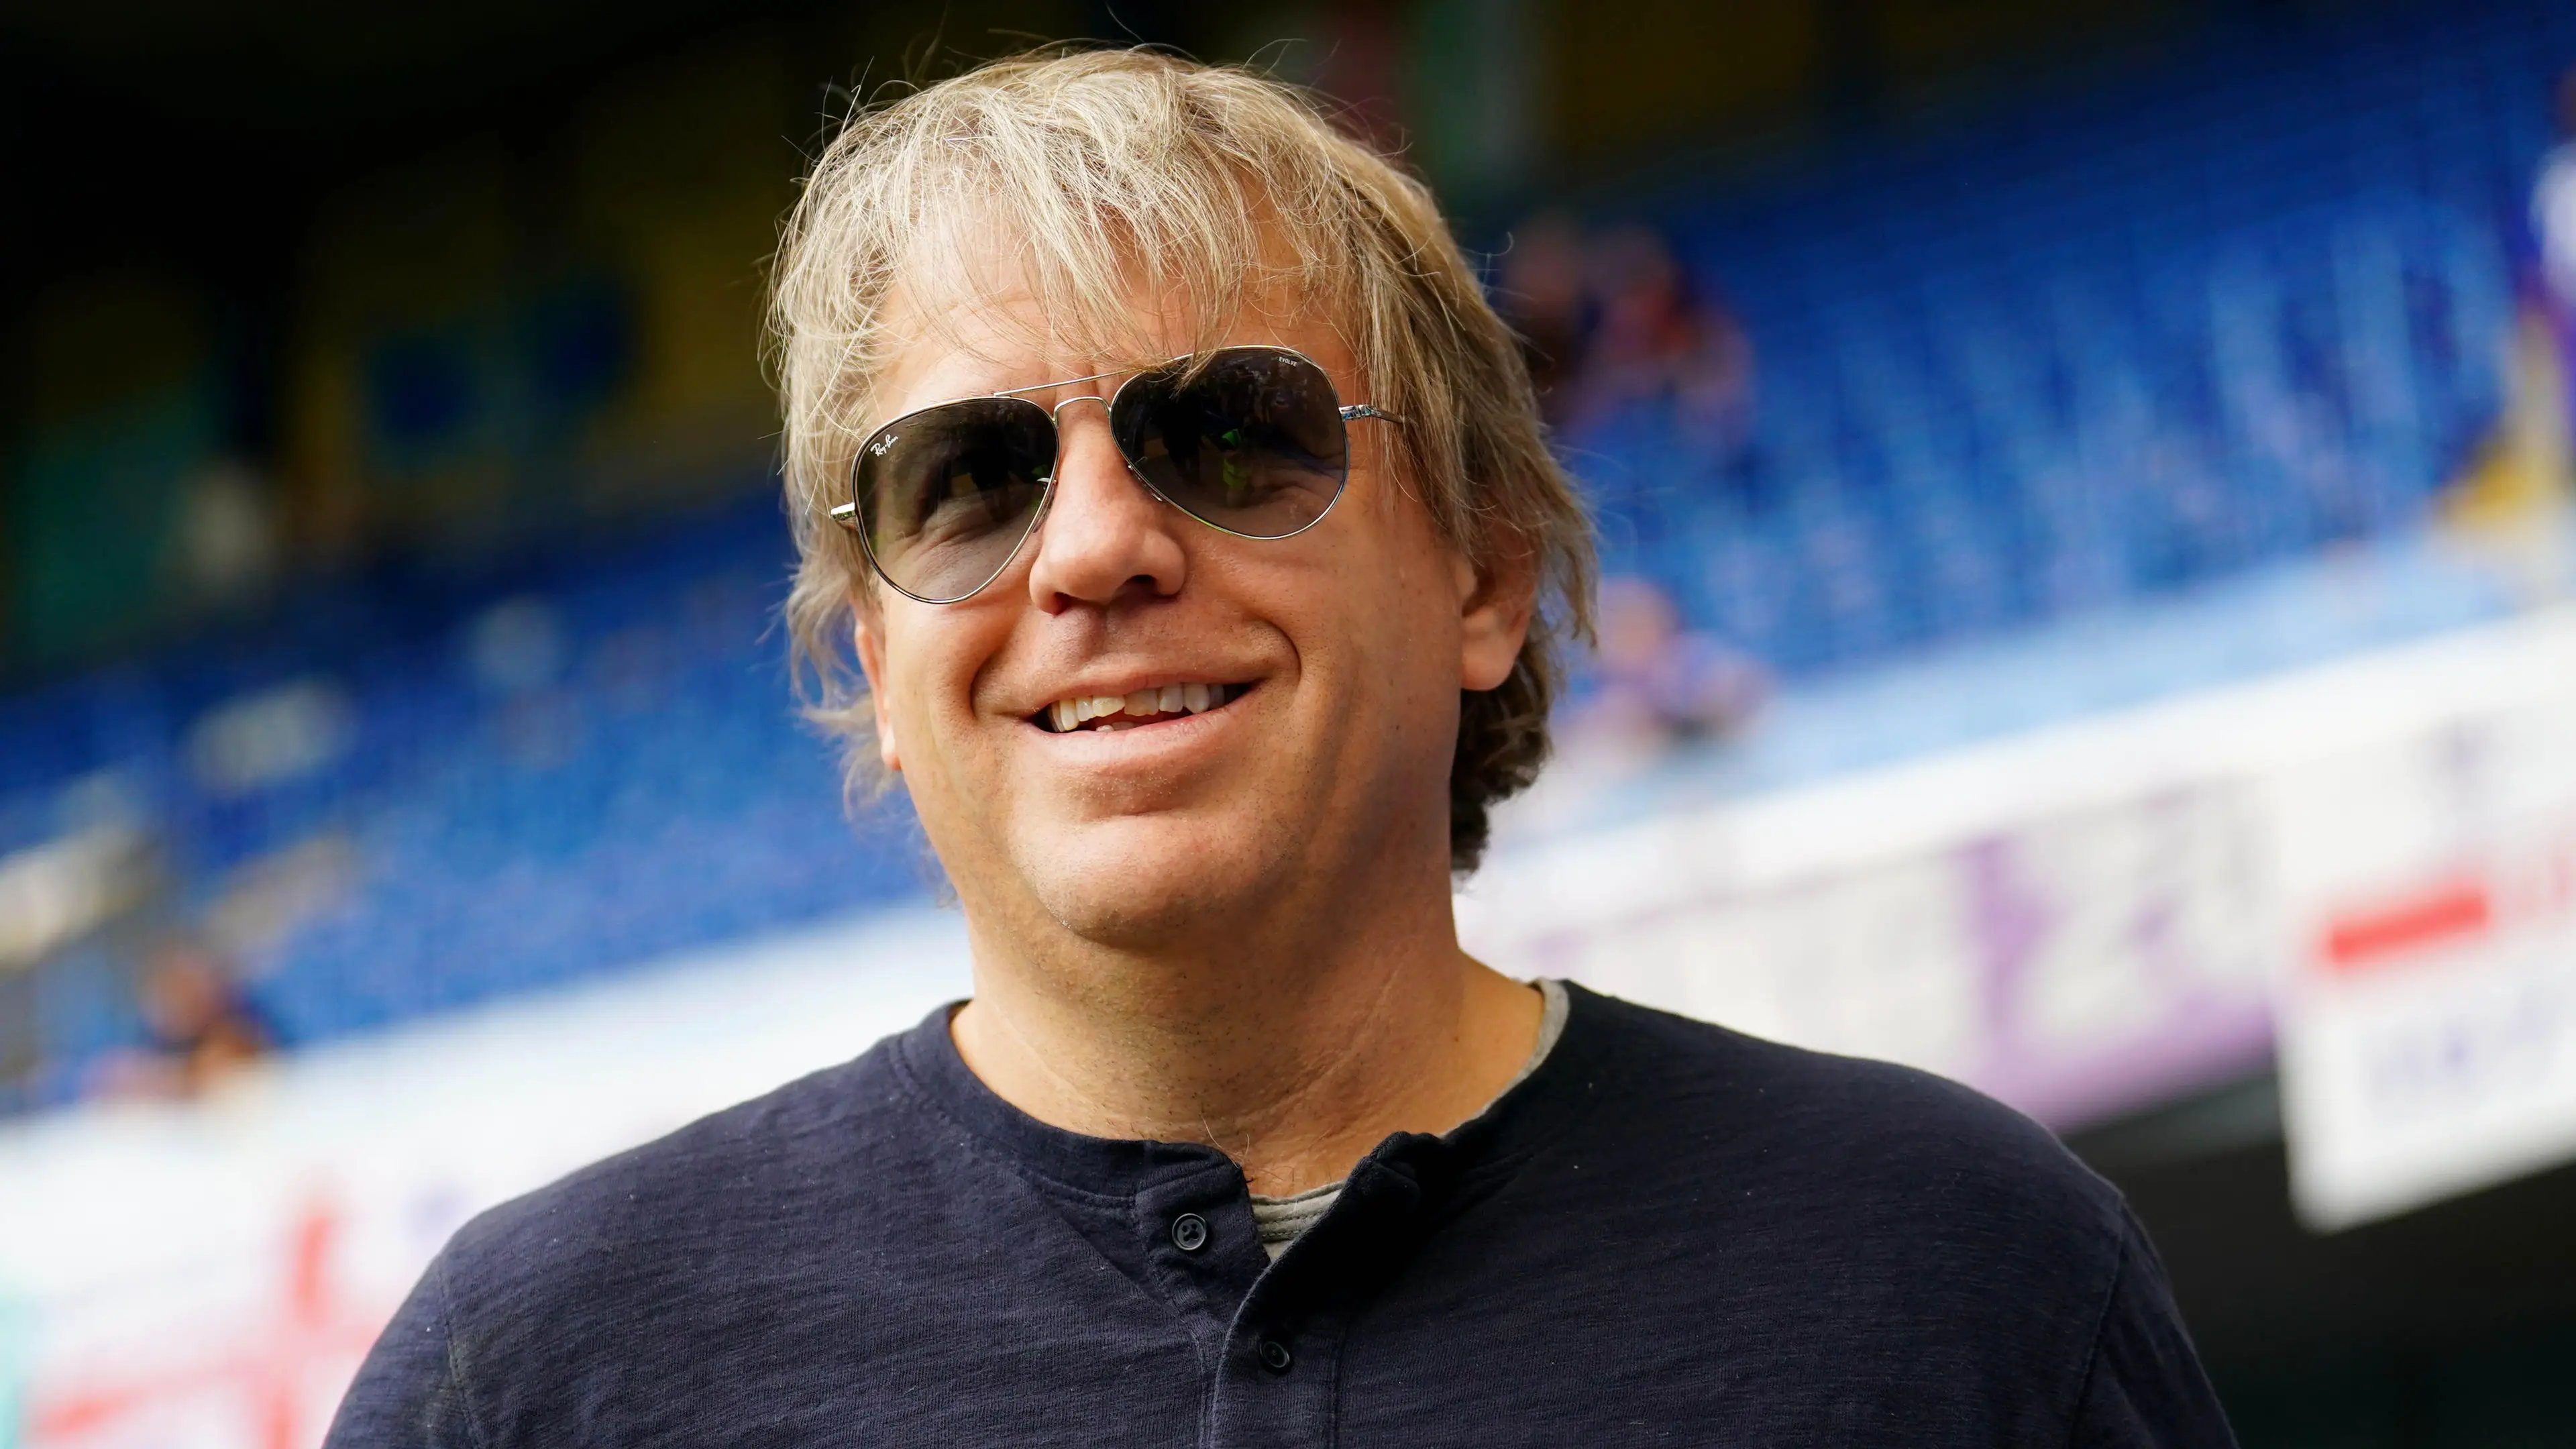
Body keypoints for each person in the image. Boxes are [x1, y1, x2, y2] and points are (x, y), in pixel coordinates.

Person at [326, 48, 2235, 1446]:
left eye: (1235, 436)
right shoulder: (539, 1378)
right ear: (880, 661)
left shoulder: (1964, 1278)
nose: (1092, 549)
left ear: (1484, 574)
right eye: (969, 477)